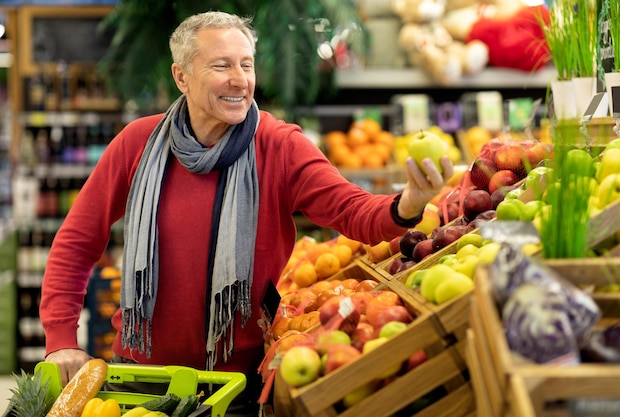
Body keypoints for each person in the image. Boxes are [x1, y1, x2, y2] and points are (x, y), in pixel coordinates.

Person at [39, 10, 453, 416]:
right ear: (181, 76)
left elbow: (351, 210)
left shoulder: (280, 146)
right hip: (142, 378)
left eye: (247, 64)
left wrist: (409, 203)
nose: (240, 79)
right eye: (221, 65)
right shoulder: (138, 144)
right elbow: (77, 240)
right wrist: (61, 338)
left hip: (239, 385)